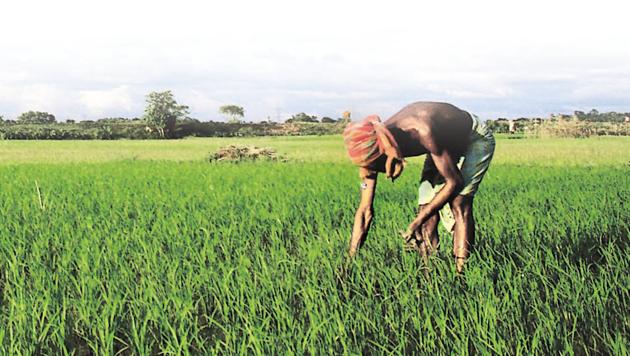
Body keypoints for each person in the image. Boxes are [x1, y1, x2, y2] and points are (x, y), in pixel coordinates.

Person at [343, 102, 495, 272]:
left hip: (471, 137)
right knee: (425, 207)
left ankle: (462, 276)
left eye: (375, 166)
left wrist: (416, 221)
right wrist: (351, 259)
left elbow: (454, 181)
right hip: (442, 146)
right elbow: (365, 210)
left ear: (385, 154)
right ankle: (429, 273)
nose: (373, 172)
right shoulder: (370, 148)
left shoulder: (422, 130)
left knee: (459, 204)